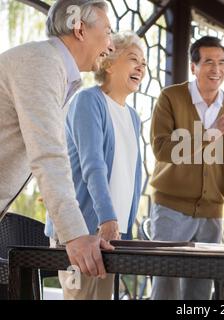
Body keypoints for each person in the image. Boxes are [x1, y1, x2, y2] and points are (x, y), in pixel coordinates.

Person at [0, 0, 115, 279]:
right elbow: (48, 155)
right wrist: (75, 235)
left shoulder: (54, 68)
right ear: (79, 29)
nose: (110, 44)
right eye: (108, 31)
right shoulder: (41, 62)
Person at [149, 36, 224, 300]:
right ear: (193, 67)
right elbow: (161, 149)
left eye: (221, 62)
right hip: (170, 210)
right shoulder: (170, 98)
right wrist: (209, 134)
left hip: (211, 215)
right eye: (208, 62)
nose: (216, 69)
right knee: (166, 288)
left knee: (200, 291)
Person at [45, 31, 145, 299]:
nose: (141, 67)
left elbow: (132, 177)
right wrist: (107, 218)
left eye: (144, 63)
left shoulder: (133, 117)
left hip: (113, 235)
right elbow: (93, 166)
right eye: (133, 59)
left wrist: (123, 228)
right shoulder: (88, 101)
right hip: (82, 231)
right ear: (109, 63)